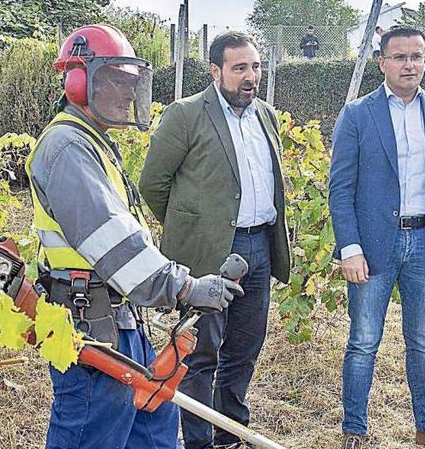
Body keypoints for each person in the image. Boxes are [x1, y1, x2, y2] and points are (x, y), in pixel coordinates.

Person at [28, 24, 244, 449]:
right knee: (94, 431)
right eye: (115, 82)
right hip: (88, 323)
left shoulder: (95, 142)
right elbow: (113, 242)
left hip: (121, 319)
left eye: (131, 84)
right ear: (77, 81)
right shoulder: (67, 148)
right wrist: (182, 286)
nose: (128, 95)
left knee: (154, 429)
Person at [139, 31, 291, 449]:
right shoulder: (185, 114)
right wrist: (193, 227)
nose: (250, 76)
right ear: (215, 71)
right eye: (240, 68)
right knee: (202, 353)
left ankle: (231, 436)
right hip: (207, 252)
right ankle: (199, 442)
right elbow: (153, 185)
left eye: (255, 67)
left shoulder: (265, 116)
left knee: (243, 350)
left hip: (258, 248)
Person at [329, 25, 425, 449]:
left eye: (417, 56)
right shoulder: (358, 114)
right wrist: (350, 248)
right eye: (400, 57)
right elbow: (340, 188)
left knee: (424, 341)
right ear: (382, 62)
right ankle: (354, 430)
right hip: (374, 246)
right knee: (363, 341)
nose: (409, 64)